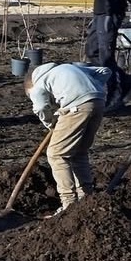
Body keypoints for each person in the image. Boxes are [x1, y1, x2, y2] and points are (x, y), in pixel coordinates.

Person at [24, 61, 108, 216]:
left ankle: (68, 203)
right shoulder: (70, 68)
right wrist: (90, 90)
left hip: (76, 107)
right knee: (79, 152)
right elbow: (104, 71)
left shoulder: (37, 83)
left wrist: (50, 124)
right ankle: (87, 198)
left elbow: (41, 107)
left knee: (56, 154)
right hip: (98, 102)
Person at [78, 0, 126, 111]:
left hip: (107, 13)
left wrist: (108, 13)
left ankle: (115, 93)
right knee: (92, 49)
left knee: (105, 54)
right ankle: (121, 80)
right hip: (101, 13)